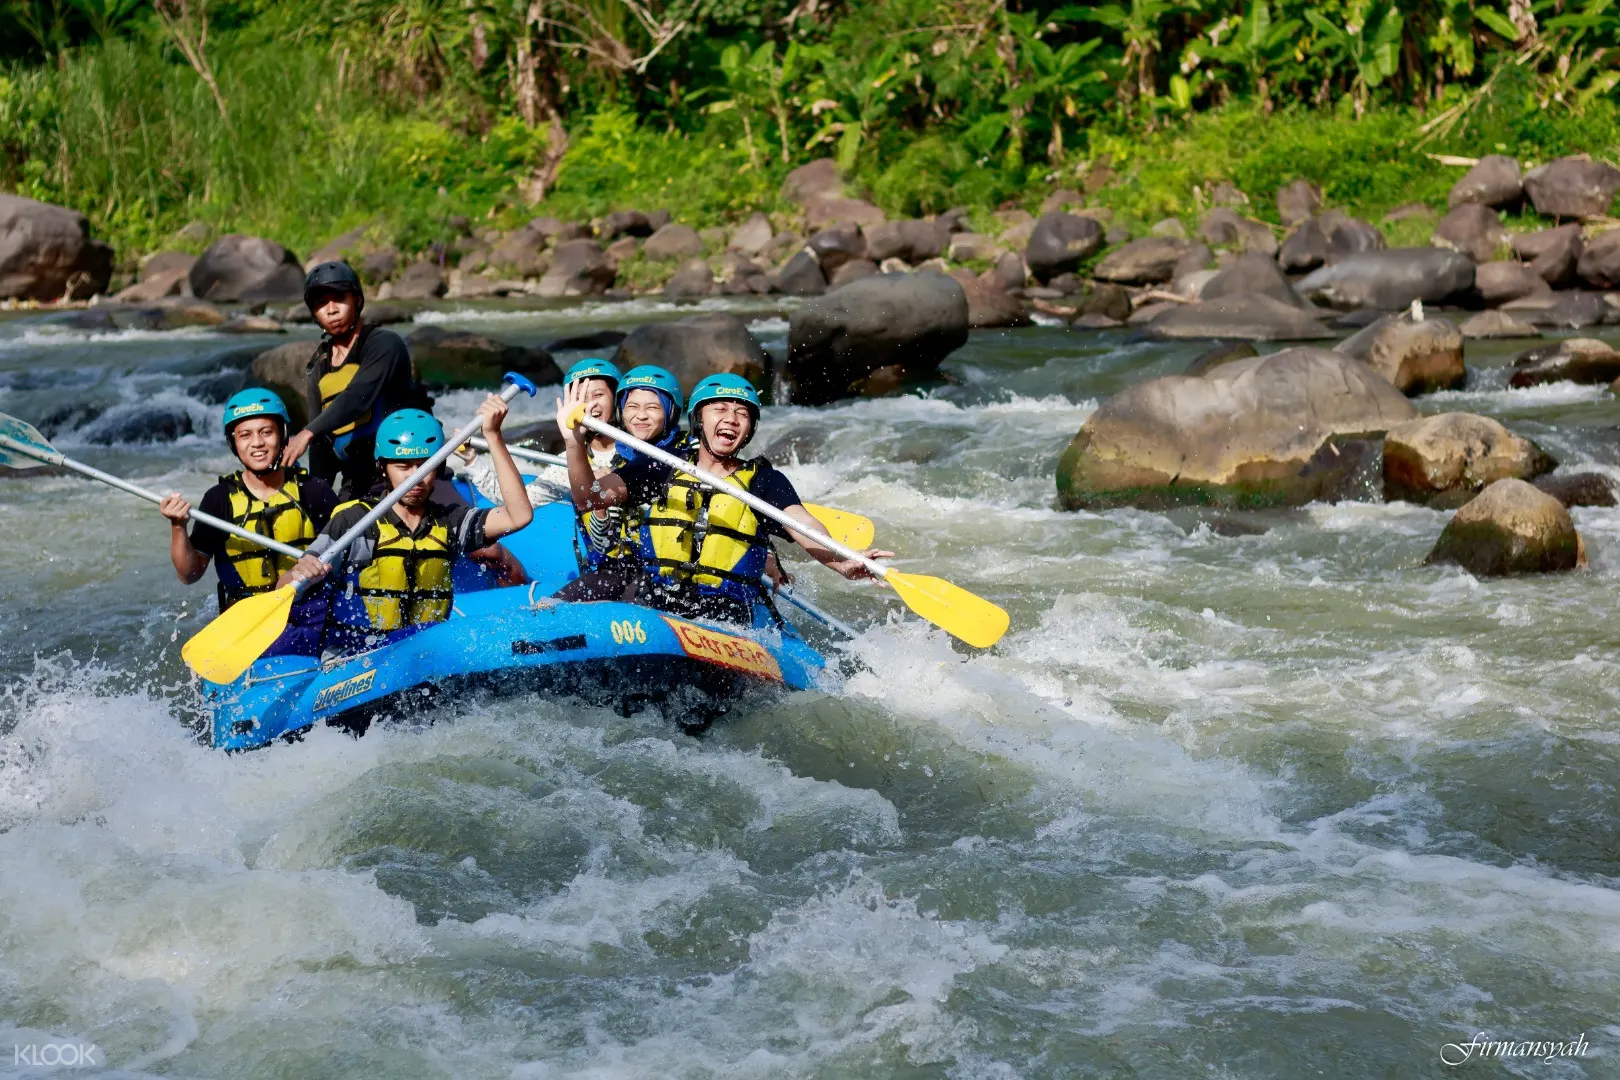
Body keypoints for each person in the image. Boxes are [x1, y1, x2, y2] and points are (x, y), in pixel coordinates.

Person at [557, 373, 892, 627]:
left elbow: (802, 524)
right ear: (699, 419)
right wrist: (574, 443)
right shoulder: (661, 464)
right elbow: (589, 499)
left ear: (748, 430)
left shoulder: (763, 481)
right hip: (656, 602)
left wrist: (842, 562)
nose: (731, 418)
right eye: (720, 409)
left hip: (725, 616)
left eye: (742, 414)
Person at [280, 399, 533, 652]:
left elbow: (518, 516)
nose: (416, 478)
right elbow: (286, 586)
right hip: (356, 659)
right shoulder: (355, 521)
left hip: (424, 653)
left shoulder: (449, 523)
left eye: (425, 466)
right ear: (383, 468)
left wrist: (494, 436)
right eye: (403, 467)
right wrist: (301, 573)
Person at [158, 389, 339, 655]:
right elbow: (189, 574)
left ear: (283, 436)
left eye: (267, 432)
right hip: (247, 624)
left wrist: (325, 565)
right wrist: (177, 526)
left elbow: (348, 560)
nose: (257, 443)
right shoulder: (219, 500)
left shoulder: (314, 491)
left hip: (308, 613)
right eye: (246, 435)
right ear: (234, 443)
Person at [282, 261, 428, 500]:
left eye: (339, 298)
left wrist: (306, 433)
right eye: (320, 303)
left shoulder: (383, 344)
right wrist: (319, 492)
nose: (331, 309)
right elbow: (321, 438)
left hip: (408, 468)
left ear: (357, 300)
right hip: (357, 478)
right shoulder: (319, 364)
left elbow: (358, 397)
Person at [552, 364, 686, 603]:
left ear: (670, 412)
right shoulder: (619, 460)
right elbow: (604, 542)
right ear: (621, 411)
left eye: (653, 407)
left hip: (670, 574)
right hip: (619, 568)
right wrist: (600, 504)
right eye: (632, 407)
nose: (640, 415)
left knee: (637, 598)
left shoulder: (687, 456)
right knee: (555, 604)